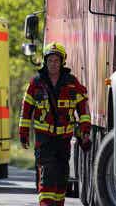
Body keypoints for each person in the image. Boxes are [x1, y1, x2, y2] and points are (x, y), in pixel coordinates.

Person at [19, 42, 91, 206]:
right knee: (48, 174)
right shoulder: (36, 83)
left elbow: (83, 110)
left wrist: (85, 131)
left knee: (61, 176)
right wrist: (23, 134)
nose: (53, 64)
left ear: (62, 62)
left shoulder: (72, 83)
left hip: (64, 139)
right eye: (50, 60)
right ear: (45, 61)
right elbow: (26, 111)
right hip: (44, 139)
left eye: (56, 61)